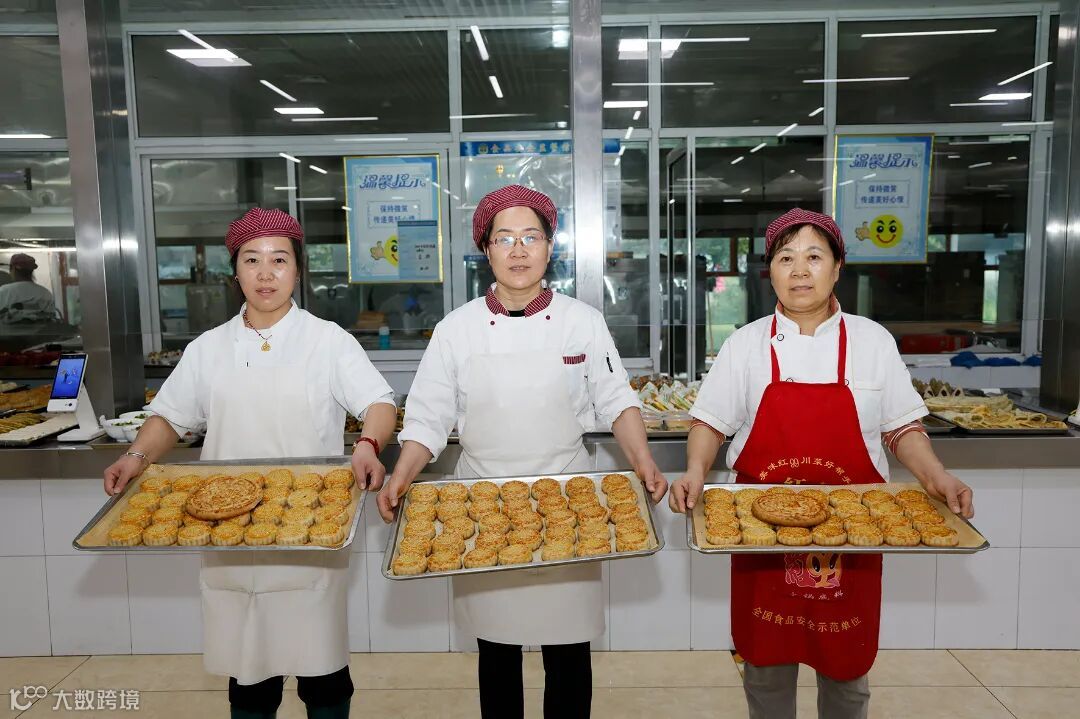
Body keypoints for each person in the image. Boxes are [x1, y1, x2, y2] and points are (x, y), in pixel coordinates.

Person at [668, 208, 975, 719]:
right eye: (786, 258)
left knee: (846, 669)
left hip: (851, 534)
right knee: (765, 666)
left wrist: (936, 475)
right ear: (770, 272)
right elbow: (711, 424)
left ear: (837, 268)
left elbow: (901, 428)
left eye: (814, 257)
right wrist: (696, 471)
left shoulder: (872, 341)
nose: (800, 270)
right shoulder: (744, 345)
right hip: (762, 533)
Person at [377, 185, 668, 719]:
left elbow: (616, 400)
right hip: (484, 504)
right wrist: (402, 475)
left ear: (549, 248)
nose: (518, 250)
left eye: (530, 237)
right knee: (497, 653)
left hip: (569, 502)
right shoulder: (457, 329)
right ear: (485, 250)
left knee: (569, 652)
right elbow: (427, 417)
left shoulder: (582, 321)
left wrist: (643, 462)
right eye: (504, 238)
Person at [102, 208, 397, 719]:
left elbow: (379, 402)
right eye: (251, 260)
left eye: (279, 260)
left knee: (322, 669)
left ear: (298, 270)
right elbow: (170, 416)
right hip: (228, 528)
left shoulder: (327, 340)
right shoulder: (209, 348)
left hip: (309, 528)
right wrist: (135, 455)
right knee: (249, 674)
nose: (265, 273)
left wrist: (369, 442)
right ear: (234, 272)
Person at [0, 253, 59, 322]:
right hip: (41, 329)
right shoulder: (45, 293)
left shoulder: (3, 291)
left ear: (13, 269)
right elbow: (52, 317)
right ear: (32, 271)